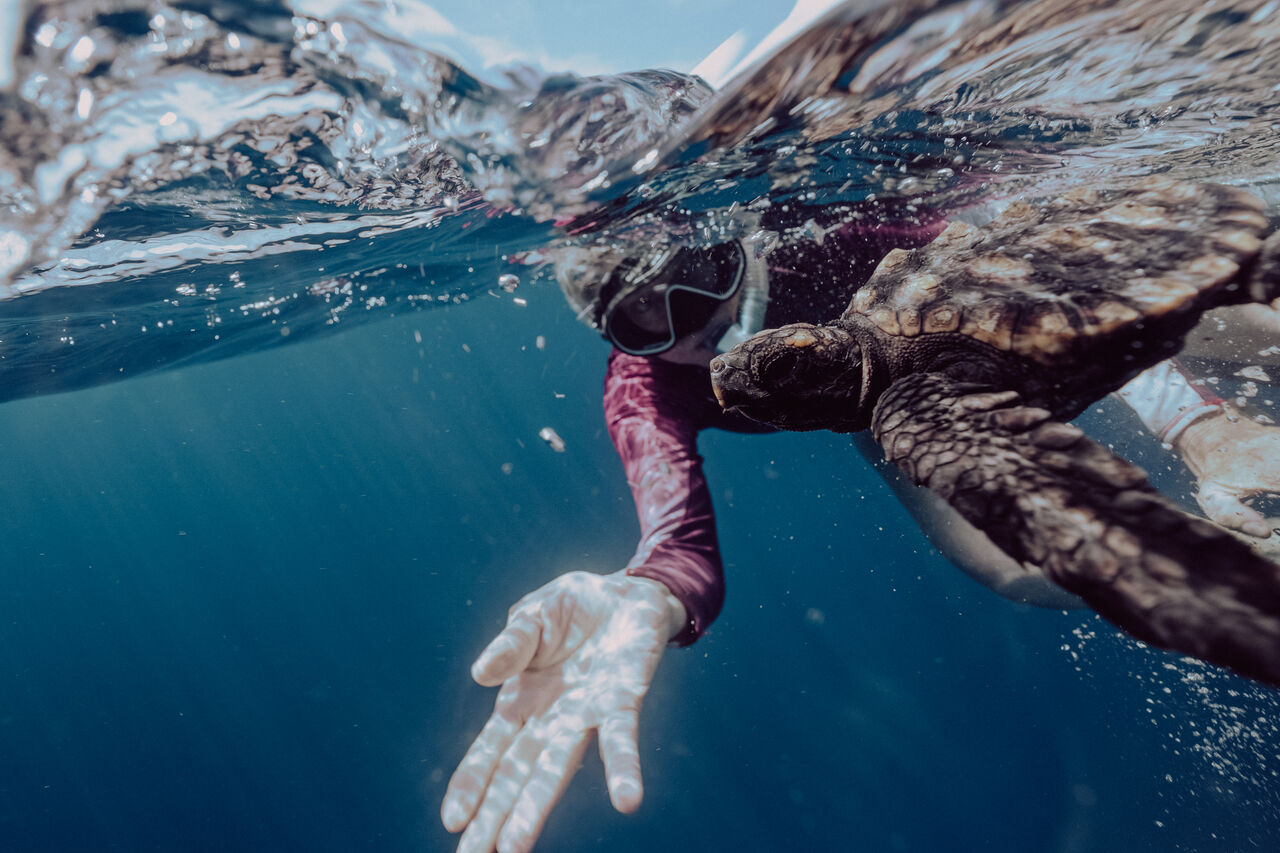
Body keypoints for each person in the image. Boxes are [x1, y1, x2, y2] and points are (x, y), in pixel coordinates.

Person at [440, 202, 1280, 853]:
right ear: (615, 341)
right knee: (1009, 565)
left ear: (735, 237)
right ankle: (1240, 568)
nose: (694, 318)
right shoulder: (645, 391)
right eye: (644, 318)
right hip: (880, 398)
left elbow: (1074, 285)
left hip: (994, 310)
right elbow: (677, 543)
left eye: (702, 269)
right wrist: (650, 594)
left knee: (1231, 317)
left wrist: (1198, 428)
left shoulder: (840, 235)